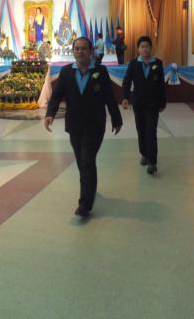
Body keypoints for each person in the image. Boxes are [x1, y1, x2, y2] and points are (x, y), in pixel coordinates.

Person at [45, 37, 123, 217]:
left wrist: (116, 119)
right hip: (74, 125)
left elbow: (109, 97)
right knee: (82, 161)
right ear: (73, 51)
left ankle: (85, 203)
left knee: (87, 161)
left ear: (91, 51)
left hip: (95, 125)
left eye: (84, 49)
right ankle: (90, 188)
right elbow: (57, 95)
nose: (80, 52)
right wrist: (50, 114)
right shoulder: (66, 72)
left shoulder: (100, 71)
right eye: (77, 48)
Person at [122, 35, 166, 175]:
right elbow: (127, 81)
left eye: (147, 46)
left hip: (153, 104)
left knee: (151, 131)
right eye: (142, 47)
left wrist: (162, 102)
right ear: (138, 49)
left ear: (151, 48)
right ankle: (144, 154)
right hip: (138, 103)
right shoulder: (133, 64)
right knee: (141, 130)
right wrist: (125, 97)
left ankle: (152, 162)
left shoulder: (157, 63)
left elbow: (161, 84)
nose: (145, 49)